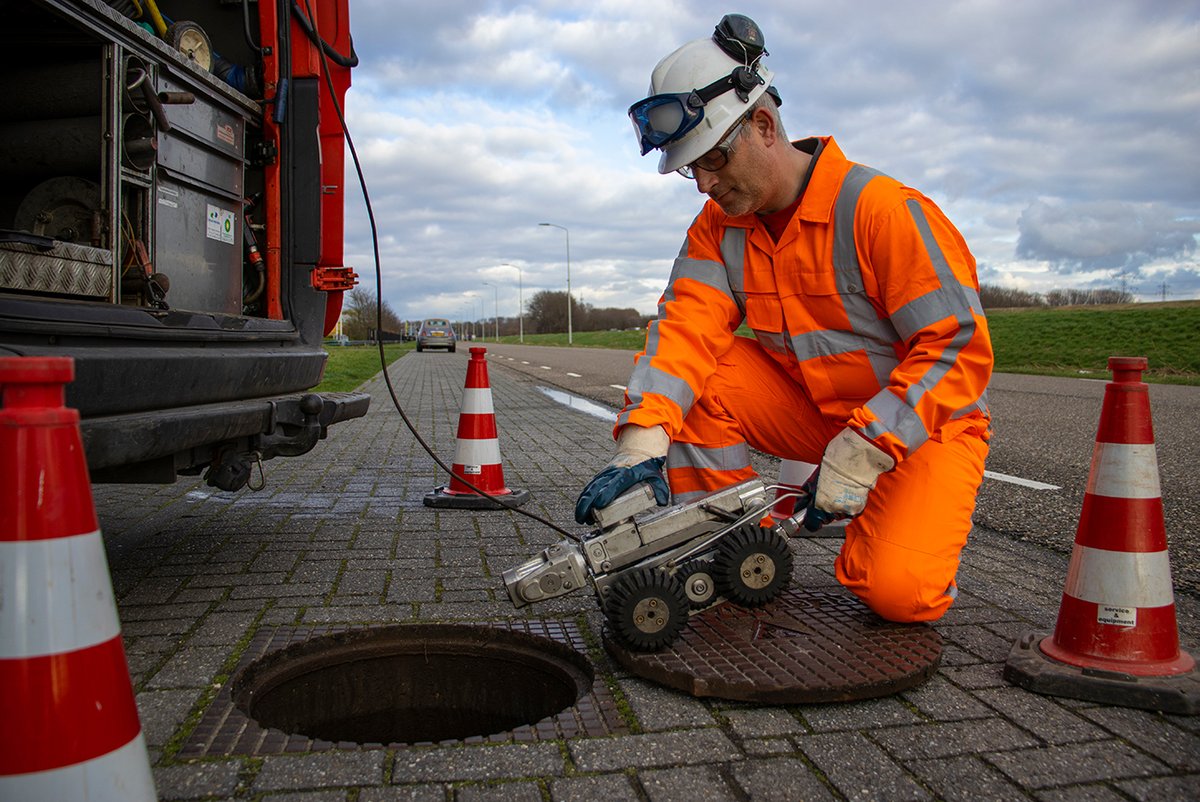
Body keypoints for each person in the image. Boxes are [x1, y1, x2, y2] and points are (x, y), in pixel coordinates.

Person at [575, 14, 992, 623]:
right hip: (817, 416)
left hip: (922, 428)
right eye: (692, 169)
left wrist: (867, 450)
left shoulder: (881, 212)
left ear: (764, 126)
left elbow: (957, 348)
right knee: (698, 380)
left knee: (898, 593)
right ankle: (729, 550)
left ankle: (888, 526)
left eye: (713, 159)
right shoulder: (718, 229)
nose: (704, 185)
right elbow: (685, 332)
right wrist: (640, 444)